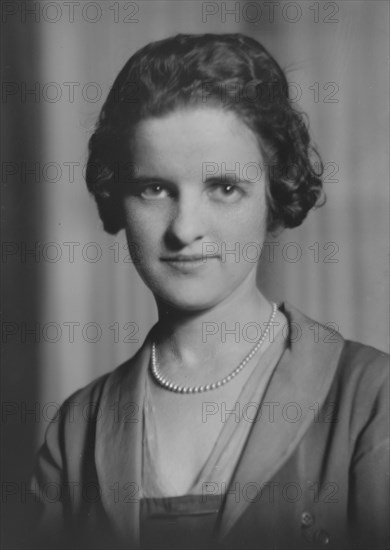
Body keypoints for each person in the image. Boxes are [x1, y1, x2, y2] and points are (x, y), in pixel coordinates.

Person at [29, 33, 389, 550]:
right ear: (117, 198)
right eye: (154, 188)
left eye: (224, 187)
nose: (184, 228)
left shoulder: (371, 398)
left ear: (274, 194)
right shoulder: (77, 431)